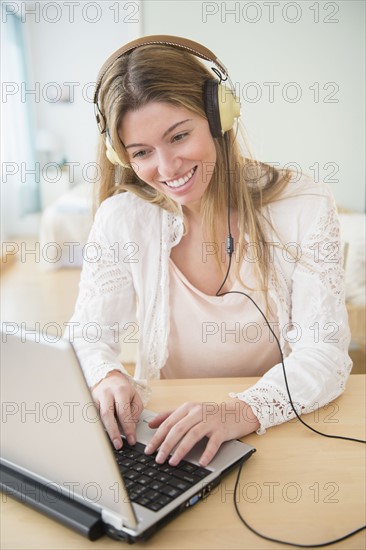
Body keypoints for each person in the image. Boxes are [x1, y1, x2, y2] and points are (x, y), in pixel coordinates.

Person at [68, 35, 352, 468]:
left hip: (273, 425)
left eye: (179, 136)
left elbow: (325, 352)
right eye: (142, 152)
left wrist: (239, 411)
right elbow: (87, 335)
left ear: (220, 115)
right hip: (170, 434)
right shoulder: (121, 218)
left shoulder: (305, 205)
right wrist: (105, 376)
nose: (166, 169)